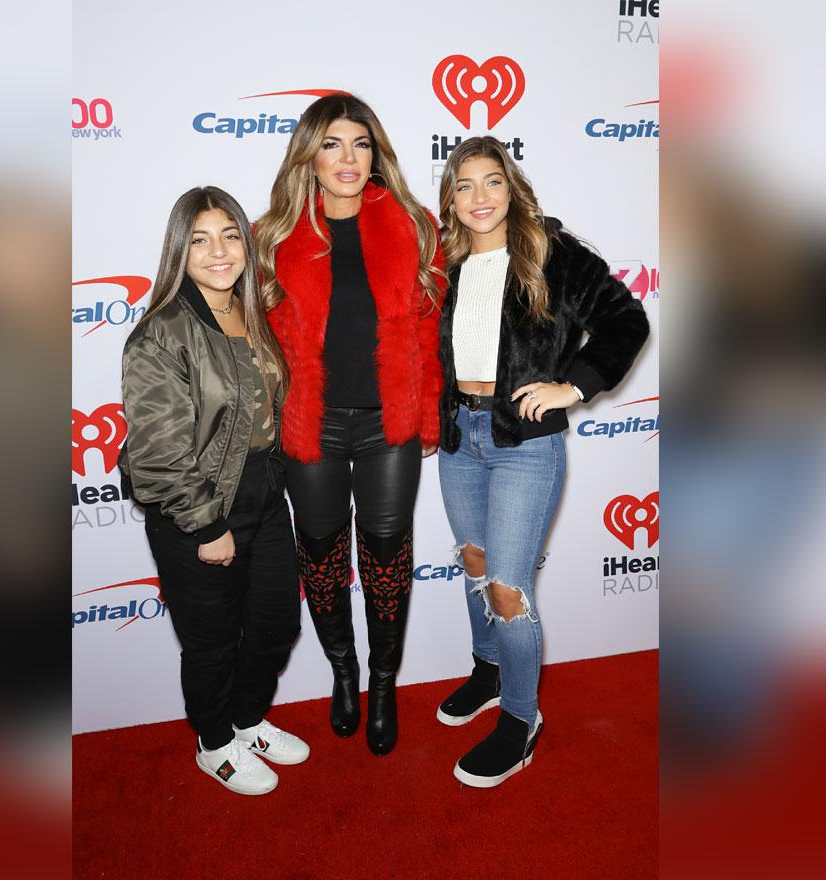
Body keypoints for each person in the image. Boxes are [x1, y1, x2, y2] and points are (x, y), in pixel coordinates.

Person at [433, 136, 650, 787]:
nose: (479, 197)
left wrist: (575, 384)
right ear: (452, 198)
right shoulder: (443, 260)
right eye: (464, 185)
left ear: (513, 187)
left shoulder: (550, 252)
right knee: (473, 560)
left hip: (525, 445)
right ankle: (489, 670)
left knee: (507, 587)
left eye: (491, 182)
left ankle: (521, 721)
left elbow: (625, 317)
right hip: (458, 439)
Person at [256, 94, 446, 756]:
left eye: (360, 143)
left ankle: (385, 683)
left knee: (388, 558)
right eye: (332, 143)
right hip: (310, 425)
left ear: (377, 155)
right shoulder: (271, 237)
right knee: (322, 557)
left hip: (388, 424)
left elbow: (428, 333)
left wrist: (426, 417)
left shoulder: (414, 227)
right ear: (308, 154)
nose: (347, 158)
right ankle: (344, 672)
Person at [121, 186, 307, 796]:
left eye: (229, 235)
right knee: (212, 641)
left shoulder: (252, 312)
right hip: (194, 507)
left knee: (276, 622)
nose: (218, 250)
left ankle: (248, 719)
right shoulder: (162, 332)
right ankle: (214, 741)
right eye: (199, 239)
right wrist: (206, 526)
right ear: (180, 250)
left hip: (262, 491)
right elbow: (155, 454)